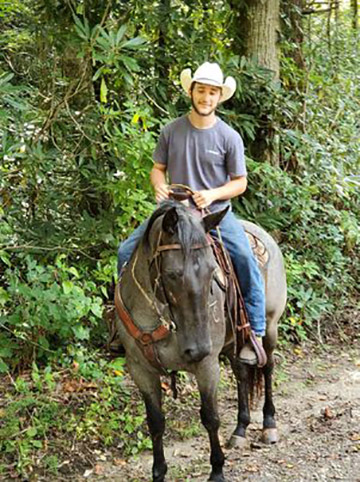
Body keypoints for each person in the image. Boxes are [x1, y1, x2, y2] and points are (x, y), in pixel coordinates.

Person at [117, 62, 266, 365]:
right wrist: (160, 187)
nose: (206, 97)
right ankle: (121, 326)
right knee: (125, 251)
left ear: (219, 97)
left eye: (213, 92)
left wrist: (212, 194)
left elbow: (240, 183)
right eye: (201, 91)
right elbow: (157, 170)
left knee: (245, 260)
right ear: (191, 91)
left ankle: (255, 332)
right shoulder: (171, 130)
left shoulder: (229, 136)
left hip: (214, 215)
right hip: (173, 215)